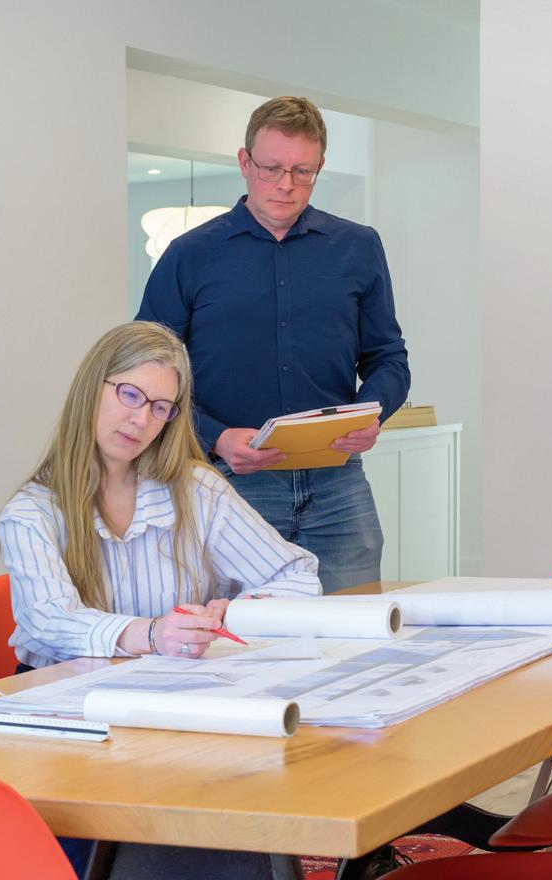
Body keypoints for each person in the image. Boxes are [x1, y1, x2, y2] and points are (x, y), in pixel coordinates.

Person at [0, 319, 311, 880]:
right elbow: (48, 623)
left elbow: (296, 575)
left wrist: (225, 615)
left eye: (162, 406)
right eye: (128, 394)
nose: (140, 418)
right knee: (112, 856)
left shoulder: (195, 491)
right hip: (70, 744)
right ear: (93, 389)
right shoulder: (33, 512)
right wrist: (146, 633)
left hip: (172, 731)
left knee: (182, 840)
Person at [137, 94, 410, 593]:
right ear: (245, 163)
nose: (286, 184)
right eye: (272, 168)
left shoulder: (358, 247)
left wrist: (372, 413)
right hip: (228, 484)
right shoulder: (188, 255)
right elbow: (146, 376)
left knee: (354, 628)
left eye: (303, 171)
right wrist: (215, 437)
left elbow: (388, 357)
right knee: (237, 636)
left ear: (319, 167)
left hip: (339, 486)